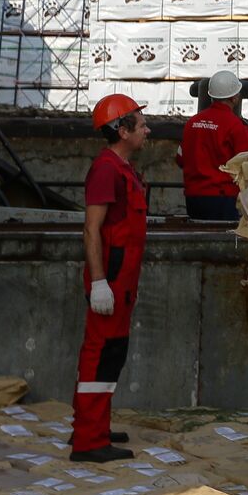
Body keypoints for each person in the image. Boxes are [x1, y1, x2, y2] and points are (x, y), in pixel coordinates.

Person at [71, 93, 149, 463]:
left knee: (111, 354)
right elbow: (91, 230)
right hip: (112, 281)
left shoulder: (123, 169)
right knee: (99, 356)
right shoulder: (106, 170)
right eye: (140, 124)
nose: (147, 130)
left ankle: (96, 426)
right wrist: (99, 282)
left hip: (123, 281)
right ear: (122, 130)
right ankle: (88, 441)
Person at [176, 70, 248, 221]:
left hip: (193, 198)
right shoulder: (235, 126)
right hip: (223, 198)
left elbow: (180, 159)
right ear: (234, 97)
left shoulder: (192, 123)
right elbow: (247, 165)